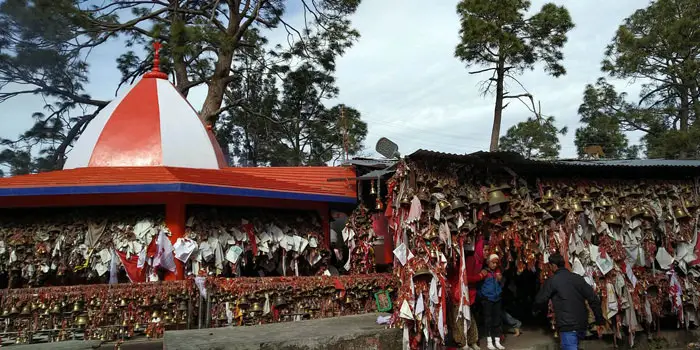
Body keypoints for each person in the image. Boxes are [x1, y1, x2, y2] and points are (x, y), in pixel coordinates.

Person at [534, 252, 605, 350]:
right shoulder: (578, 279)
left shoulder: (552, 281)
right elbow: (593, 298)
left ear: (553, 266)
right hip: (582, 324)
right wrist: (599, 319)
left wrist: (537, 312)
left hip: (567, 325)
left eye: (550, 266)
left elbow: (540, 300)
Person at [479, 254, 505, 350]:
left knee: (497, 320)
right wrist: (483, 296)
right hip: (488, 299)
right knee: (488, 321)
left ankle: (497, 342)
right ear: (488, 262)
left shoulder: (497, 272)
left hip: (497, 298)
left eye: (496, 263)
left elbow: (501, 282)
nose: (494, 265)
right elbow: (479, 285)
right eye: (492, 263)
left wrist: (500, 279)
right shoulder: (484, 272)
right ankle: (489, 342)